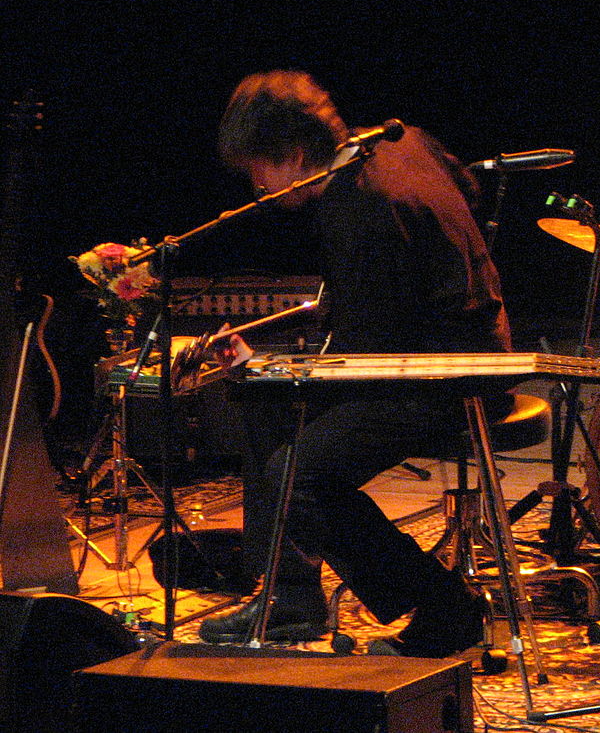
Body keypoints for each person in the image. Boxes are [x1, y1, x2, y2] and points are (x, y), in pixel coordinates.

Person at [197, 70, 512, 657]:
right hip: (452, 350)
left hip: (449, 378)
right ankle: (291, 597)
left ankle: (449, 612)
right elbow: (466, 191)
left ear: (293, 154)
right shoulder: (401, 141)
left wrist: (280, 369)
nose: (256, 186)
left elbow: (369, 352)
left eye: (258, 170)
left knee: (301, 473)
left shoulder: (358, 206)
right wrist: (271, 375)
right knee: (263, 403)